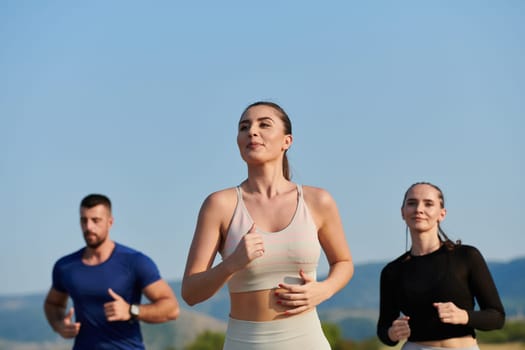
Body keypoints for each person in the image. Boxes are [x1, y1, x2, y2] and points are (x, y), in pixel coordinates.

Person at [181, 101, 354, 349]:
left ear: (287, 141)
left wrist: (324, 290)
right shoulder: (219, 205)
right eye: (244, 127)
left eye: (264, 125)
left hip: (307, 341)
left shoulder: (318, 201)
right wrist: (232, 263)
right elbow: (190, 293)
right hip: (245, 342)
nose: (252, 131)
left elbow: (344, 263)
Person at [377, 182, 505, 350]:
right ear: (403, 212)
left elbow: (497, 317)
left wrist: (464, 316)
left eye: (428, 204)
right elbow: (383, 328)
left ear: (441, 214)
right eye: (412, 203)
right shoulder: (392, 271)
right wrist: (392, 333)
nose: (419, 209)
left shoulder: (467, 256)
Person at [44, 194, 180, 350]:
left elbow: (171, 308)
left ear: (110, 222)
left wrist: (131, 310)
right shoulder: (66, 266)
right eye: (84, 220)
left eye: (96, 220)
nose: (89, 227)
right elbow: (53, 303)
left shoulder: (134, 261)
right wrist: (59, 325)